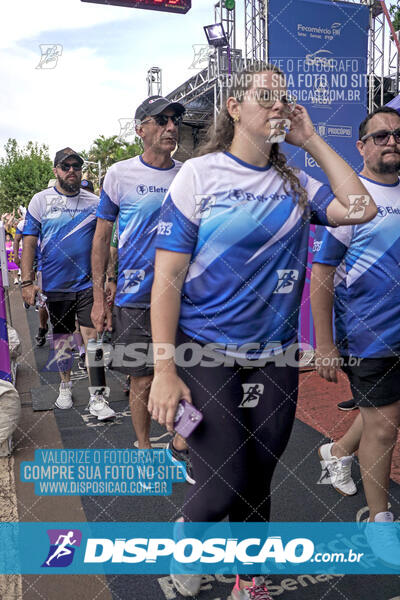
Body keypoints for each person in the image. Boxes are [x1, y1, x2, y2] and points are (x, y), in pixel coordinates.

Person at [148, 62, 377, 599]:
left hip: (274, 356)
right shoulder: (199, 175)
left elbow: (361, 209)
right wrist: (163, 368)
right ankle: (190, 538)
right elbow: (167, 278)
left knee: (258, 477)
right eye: (265, 96)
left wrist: (312, 138)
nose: (279, 105)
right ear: (234, 107)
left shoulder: (296, 183)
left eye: (285, 97)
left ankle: (248, 579)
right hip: (205, 353)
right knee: (222, 481)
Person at [311, 106, 400, 564]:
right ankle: (379, 518)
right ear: (361, 146)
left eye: (397, 135)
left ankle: (337, 450)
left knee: (383, 413)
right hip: (369, 337)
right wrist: (324, 345)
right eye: (380, 135)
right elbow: (322, 274)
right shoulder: (353, 201)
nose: (391, 141)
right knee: (385, 428)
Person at [91, 96, 194, 479]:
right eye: (162, 120)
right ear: (140, 129)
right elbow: (102, 238)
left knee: (192, 372)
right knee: (143, 377)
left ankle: (181, 441)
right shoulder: (119, 174)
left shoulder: (190, 173)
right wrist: (100, 297)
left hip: (185, 296)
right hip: (136, 298)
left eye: (175, 121)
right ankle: (145, 446)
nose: (171, 127)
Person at [21, 147, 115, 420]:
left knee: (93, 340)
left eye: (76, 165)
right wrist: (27, 282)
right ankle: (65, 385)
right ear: (56, 171)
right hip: (55, 285)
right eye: (66, 166)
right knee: (62, 339)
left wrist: (109, 278)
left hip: (88, 284)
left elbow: (105, 244)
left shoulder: (94, 202)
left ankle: (97, 397)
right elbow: (28, 243)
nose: (72, 170)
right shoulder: (40, 200)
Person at [14, 216, 49, 346]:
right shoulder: (24, 224)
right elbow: (17, 240)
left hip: (56, 264)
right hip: (34, 259)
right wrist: (17, 255)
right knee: (42, 296)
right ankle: (42, 327)